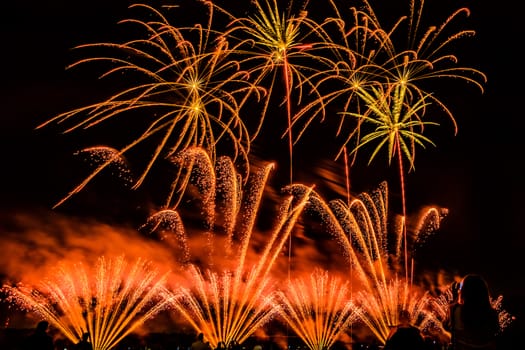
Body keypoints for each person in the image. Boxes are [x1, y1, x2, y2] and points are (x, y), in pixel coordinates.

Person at [444, 274, 499, 350]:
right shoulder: (492, 314)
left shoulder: (454, 310)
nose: (459, 290)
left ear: (464, 291)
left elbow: (448, 327)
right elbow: (494, 334)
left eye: (461, 287)